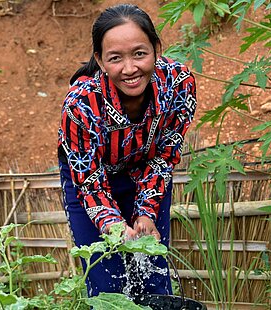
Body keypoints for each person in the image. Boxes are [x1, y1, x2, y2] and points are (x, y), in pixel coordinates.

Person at [57, 3, 196, 297]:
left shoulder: (179, 85)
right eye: (116, 58)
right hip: (90, 180)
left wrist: (146, 212)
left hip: (146, 172)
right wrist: (113, 224)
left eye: (140, 54)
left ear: (156, 49)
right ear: (100, 59)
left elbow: (164, 155)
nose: (130, 69)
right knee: (107, 284)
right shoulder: (82, 103)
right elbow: (88, 179)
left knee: (153, 275)